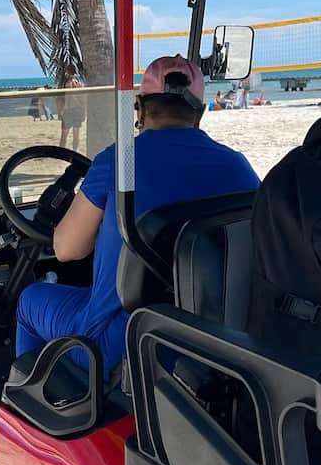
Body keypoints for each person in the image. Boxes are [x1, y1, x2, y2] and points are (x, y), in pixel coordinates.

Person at [15, 55, 260, 373]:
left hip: (118, 345)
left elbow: (66, 250)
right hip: (209, 338)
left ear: (140, 108)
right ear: (199, 112)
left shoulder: (119, 163)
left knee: (29, 300)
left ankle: (44, 393)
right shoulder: (238, 165)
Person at [58, 75, 87, 151]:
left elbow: (83, 99)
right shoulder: (65, 85)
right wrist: (60, 110)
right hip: (69, 111)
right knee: (65, 134)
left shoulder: (78, 84)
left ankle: (74, 151)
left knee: (74, 134)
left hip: (75, 110)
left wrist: (84, 111)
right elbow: (60, 99)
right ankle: (62, 151)